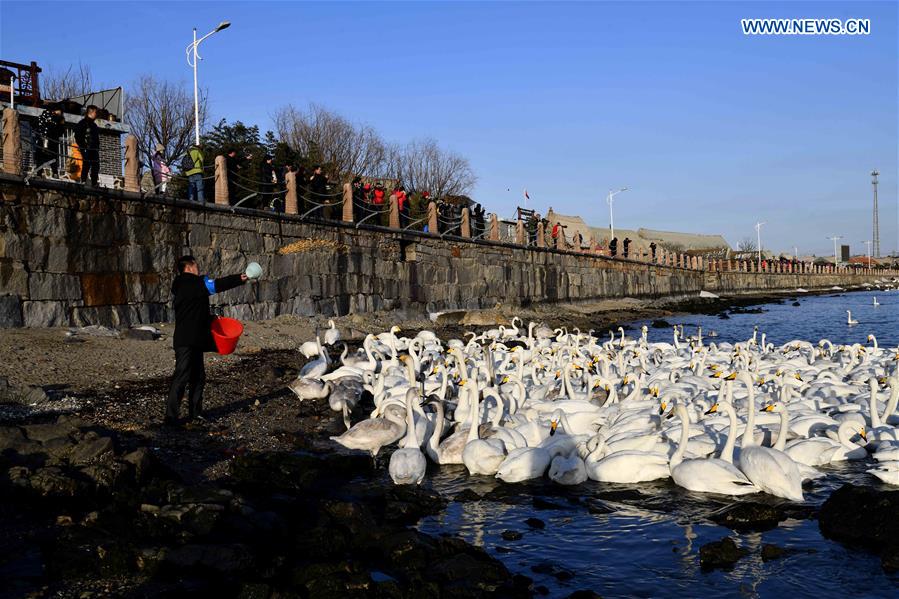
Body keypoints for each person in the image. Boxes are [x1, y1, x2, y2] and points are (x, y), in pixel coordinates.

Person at [166, 256, 248, 426]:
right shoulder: (192, 283)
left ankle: (195, 413)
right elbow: (217, 285)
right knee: (182, 376)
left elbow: (193, 312)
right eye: (197, 265)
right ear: (189, 267)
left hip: (193, 338)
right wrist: (239, 278)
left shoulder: (184, 286)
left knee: (198, 377)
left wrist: (211, 318)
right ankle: (171, 418)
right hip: (186, 340)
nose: (199, 268)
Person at [34, 105, 65, 176]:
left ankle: (54, 173)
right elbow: (35, 124)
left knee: (50, 158)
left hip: (50, 141)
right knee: (43, 158)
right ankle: (41, 173)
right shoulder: (46, 118)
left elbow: (61, 131)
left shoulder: (57, 119)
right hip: (45, 141)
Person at [74, 105, 100, 186]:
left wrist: (97, 146)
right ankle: (83, 180)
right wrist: (83, 145)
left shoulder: (94, 125)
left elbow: (96, 138)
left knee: (96, 165)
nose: (96, 114)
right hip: (86, 147)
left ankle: (94, 182)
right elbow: (77, 136)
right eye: (96, 112)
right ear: (91, 112)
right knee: (86, 164)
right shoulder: (82, 123)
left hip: (94, 148)